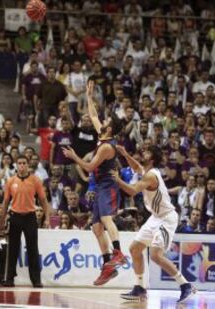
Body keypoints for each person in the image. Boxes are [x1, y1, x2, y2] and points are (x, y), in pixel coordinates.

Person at [112, 145, 196, 303]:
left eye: (147, 151)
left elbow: (132, 190)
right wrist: (125, 154)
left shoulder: (151, 176)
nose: (143, 152)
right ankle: (139, 288)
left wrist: (116, 179)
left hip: (167, 218)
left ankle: (185, 285)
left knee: (156, 255)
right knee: (135, 249)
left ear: (152, 158)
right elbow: (136, 166)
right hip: (156, 217)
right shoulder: (147, 170)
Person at [62, 81, 127, 286]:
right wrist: (89, 97)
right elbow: (93, 115)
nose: (103, 121)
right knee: (97, 228)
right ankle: (108, 265)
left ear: (111, 128)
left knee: (107, 220)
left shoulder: (107, 147)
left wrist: (74, 157)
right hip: (99, 187)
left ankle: (118, 253)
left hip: (108, 185)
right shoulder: (103, 135)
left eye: (107, 121)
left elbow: (89, 168)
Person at [0, 155, 50, 287]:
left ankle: (36, 280)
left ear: (28, 165)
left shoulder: (35, 180)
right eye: (19, 163)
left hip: (30, 217)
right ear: (16, 165)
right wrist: (2, 220)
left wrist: (48, 218)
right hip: (15, 216)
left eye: (24, 163)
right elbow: (5, 202)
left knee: (33, 249)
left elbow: (43, 200)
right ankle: (9, 279)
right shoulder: (10, 181)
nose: (22, 166)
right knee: (13, 249)